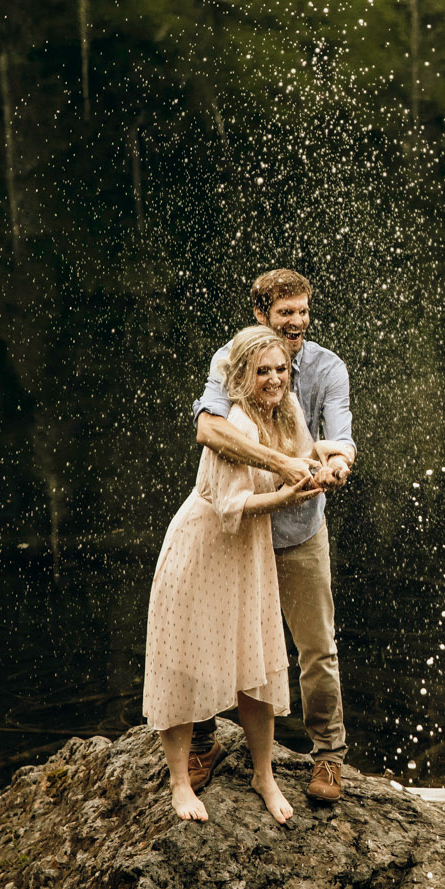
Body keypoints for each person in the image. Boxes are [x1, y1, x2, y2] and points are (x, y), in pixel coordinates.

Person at [142, 327, 349, 822]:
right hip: (206, 548)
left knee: (256, 665)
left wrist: (329, 461)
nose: (275, 378)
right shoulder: (235, 422)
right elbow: (234, 506)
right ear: (242, 376)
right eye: (263, 371)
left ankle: (265, 775)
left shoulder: (289, 409)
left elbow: (301, 453)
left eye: (280, 369)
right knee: (189, 661)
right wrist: (288, 496)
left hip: (247, 554)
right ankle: (179, 784)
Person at [192, 269, 357, 802]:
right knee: (215, 638)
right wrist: (284, 465)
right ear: (262, 314)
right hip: (239, 527)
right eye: (286, 313)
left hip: (300, 529)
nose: (298, 322)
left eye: (304, 311)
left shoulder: (329, 367)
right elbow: (209, 429)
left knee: (316, 648)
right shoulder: (231, 359)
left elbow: (337, 435)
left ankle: (329, 755)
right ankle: (202, 739)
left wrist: (335, 464)